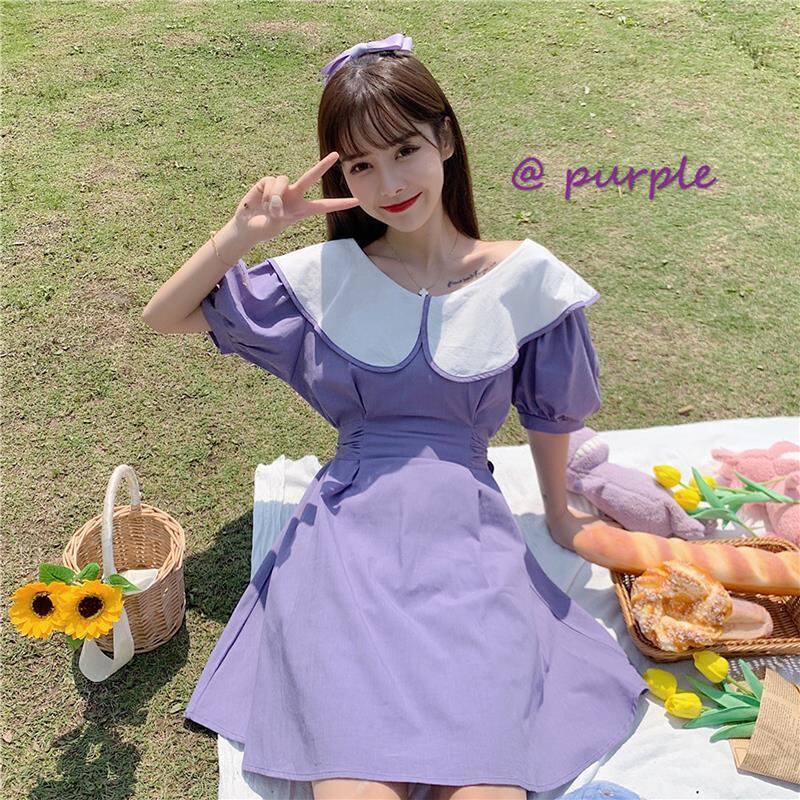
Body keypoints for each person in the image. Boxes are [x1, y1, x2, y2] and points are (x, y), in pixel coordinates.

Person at [143, 33, 648, 800]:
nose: (388, 183)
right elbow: (164, 316)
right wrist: (241, 235)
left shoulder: (524, 277)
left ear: (445, 139)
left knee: (487, 784)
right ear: (341, 175)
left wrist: (558, 515)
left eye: (405, 150)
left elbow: (551, 414)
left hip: (470, 549)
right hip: (346, 548)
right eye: (360, 165)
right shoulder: (327, 278)